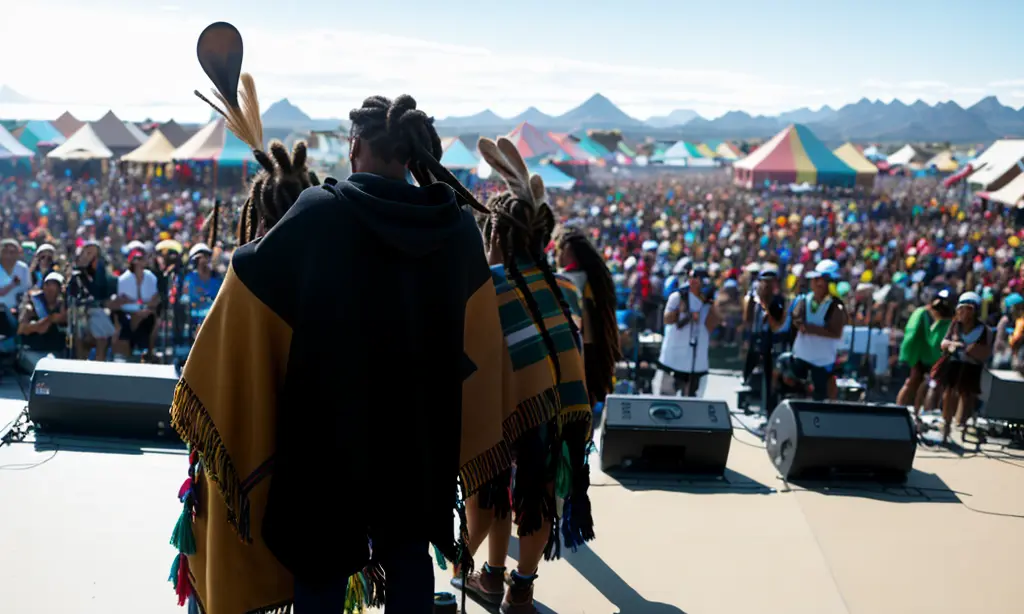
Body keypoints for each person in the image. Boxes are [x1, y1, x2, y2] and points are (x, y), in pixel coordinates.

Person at [170, 46, 510, 614]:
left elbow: (250, 273)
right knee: (407, 557)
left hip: (329, 433)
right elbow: (480, 339)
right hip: (419, 431)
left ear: (354, 148)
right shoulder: (455, 229)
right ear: (411, 152)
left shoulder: (319, 213)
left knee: (322, 567)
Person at [455, 137, 593, 614]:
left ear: (497, 235)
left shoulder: (489, 285)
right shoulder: (566, 288)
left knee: (487, 493)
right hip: (557, 414)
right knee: (535, 498)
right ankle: (516, 586)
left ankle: (456, 575)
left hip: (505, 412)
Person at [555, 225, 623, 407]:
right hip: (594, 348)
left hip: (572, 352)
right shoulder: (595, 279)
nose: (556, 257)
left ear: (568, 252)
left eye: (558, 251)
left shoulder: (566, 280)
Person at [932, 292, 991, 443]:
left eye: (969, 309)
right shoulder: (955, 325)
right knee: (948, 391)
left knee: (967, 394)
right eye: (962, 308)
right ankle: (946, 422)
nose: (964, 313)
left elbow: (984, 351)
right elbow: (944, 342)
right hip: (954, 364)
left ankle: (962, 424)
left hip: (971, 366)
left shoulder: (982, 330)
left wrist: (969, 350)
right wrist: (951, 345)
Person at [658, 266, 721, 396]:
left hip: (697, 362)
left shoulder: (709, 303)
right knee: (667, 401)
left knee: (692, 403)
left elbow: (711, 326)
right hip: (674, 359)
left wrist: (713, 305)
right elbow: (667, 319)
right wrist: (686, 315)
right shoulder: (678, 297)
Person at [790, 260, 848, 401]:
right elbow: (796, 319)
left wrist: (810, 329)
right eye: (816, 279)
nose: (819, 283)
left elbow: (835, 332)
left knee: (820, 395)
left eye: (823, 280)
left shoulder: (836, 306)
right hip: (801, 356)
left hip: (823, 360)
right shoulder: (803, 300)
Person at [897, 288, 954, 420]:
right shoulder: (924, 314)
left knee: (925, 386)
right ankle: (909, 411)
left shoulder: (940, 320)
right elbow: (912, 336)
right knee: (923, 385)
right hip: (924, 357)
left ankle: (921, 415)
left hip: (928, 357)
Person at [743, 267, 786, 413]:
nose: (766, 286)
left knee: (770, 379)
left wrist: (768, 303)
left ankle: (769, 410)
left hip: (774, 342)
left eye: (770, 282)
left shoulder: (779, 300)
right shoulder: (754, 300)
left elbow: (777, 320)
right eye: (764, 282)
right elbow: (747, 319)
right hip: (757, 338)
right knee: (750, 372)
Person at [69, 241, 121, 360]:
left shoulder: (103, 273)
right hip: (80, 313)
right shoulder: (76, 274)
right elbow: (74, 295)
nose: (90, 256)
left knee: (102, 332)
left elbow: (108, 293)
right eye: (87, 253)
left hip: (98, 311)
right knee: (80, 334)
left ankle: (99, 366)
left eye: (93, 254)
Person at [114, 248, 161, 360]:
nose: (139, 262)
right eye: (137, 259)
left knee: (152, 319)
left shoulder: (151, 277)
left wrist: (147, 307)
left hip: (147, 311)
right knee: (131, 320)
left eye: (141, 259)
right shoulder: (123, 279)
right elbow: (122, 300)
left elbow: (154, 297)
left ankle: (149, 352)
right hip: (128, 312)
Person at [17, 272, 67, 367]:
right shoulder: (33, 303)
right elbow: (21, 329)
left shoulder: (64, 306)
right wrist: (46, 321)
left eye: (54, 287)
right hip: (32, 350)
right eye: (47, 285)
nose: (49, 289)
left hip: (55, 353)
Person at [0, 239, 31, 341]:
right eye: (5, 252)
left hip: (17, 312)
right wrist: (12, 285)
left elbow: (27, 290)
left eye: (12, 252)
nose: (8, 256)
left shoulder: (23, 268)